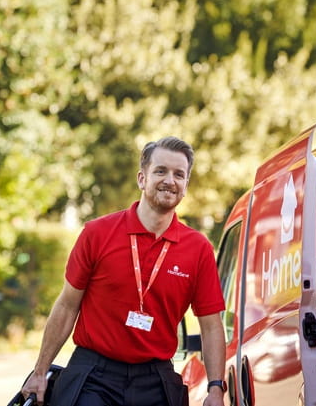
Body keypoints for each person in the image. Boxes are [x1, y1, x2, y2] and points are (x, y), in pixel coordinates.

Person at [21, 136, 226, 406]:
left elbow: (211, 325)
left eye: (179, 174)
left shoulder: (198, 248)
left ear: (186, 185)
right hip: (94, 375)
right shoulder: (97, 233)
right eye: (160, 171)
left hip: (155, 380)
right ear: (142, 178)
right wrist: (39, 372)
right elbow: (67, 305)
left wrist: (215, 389)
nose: (170, 180)